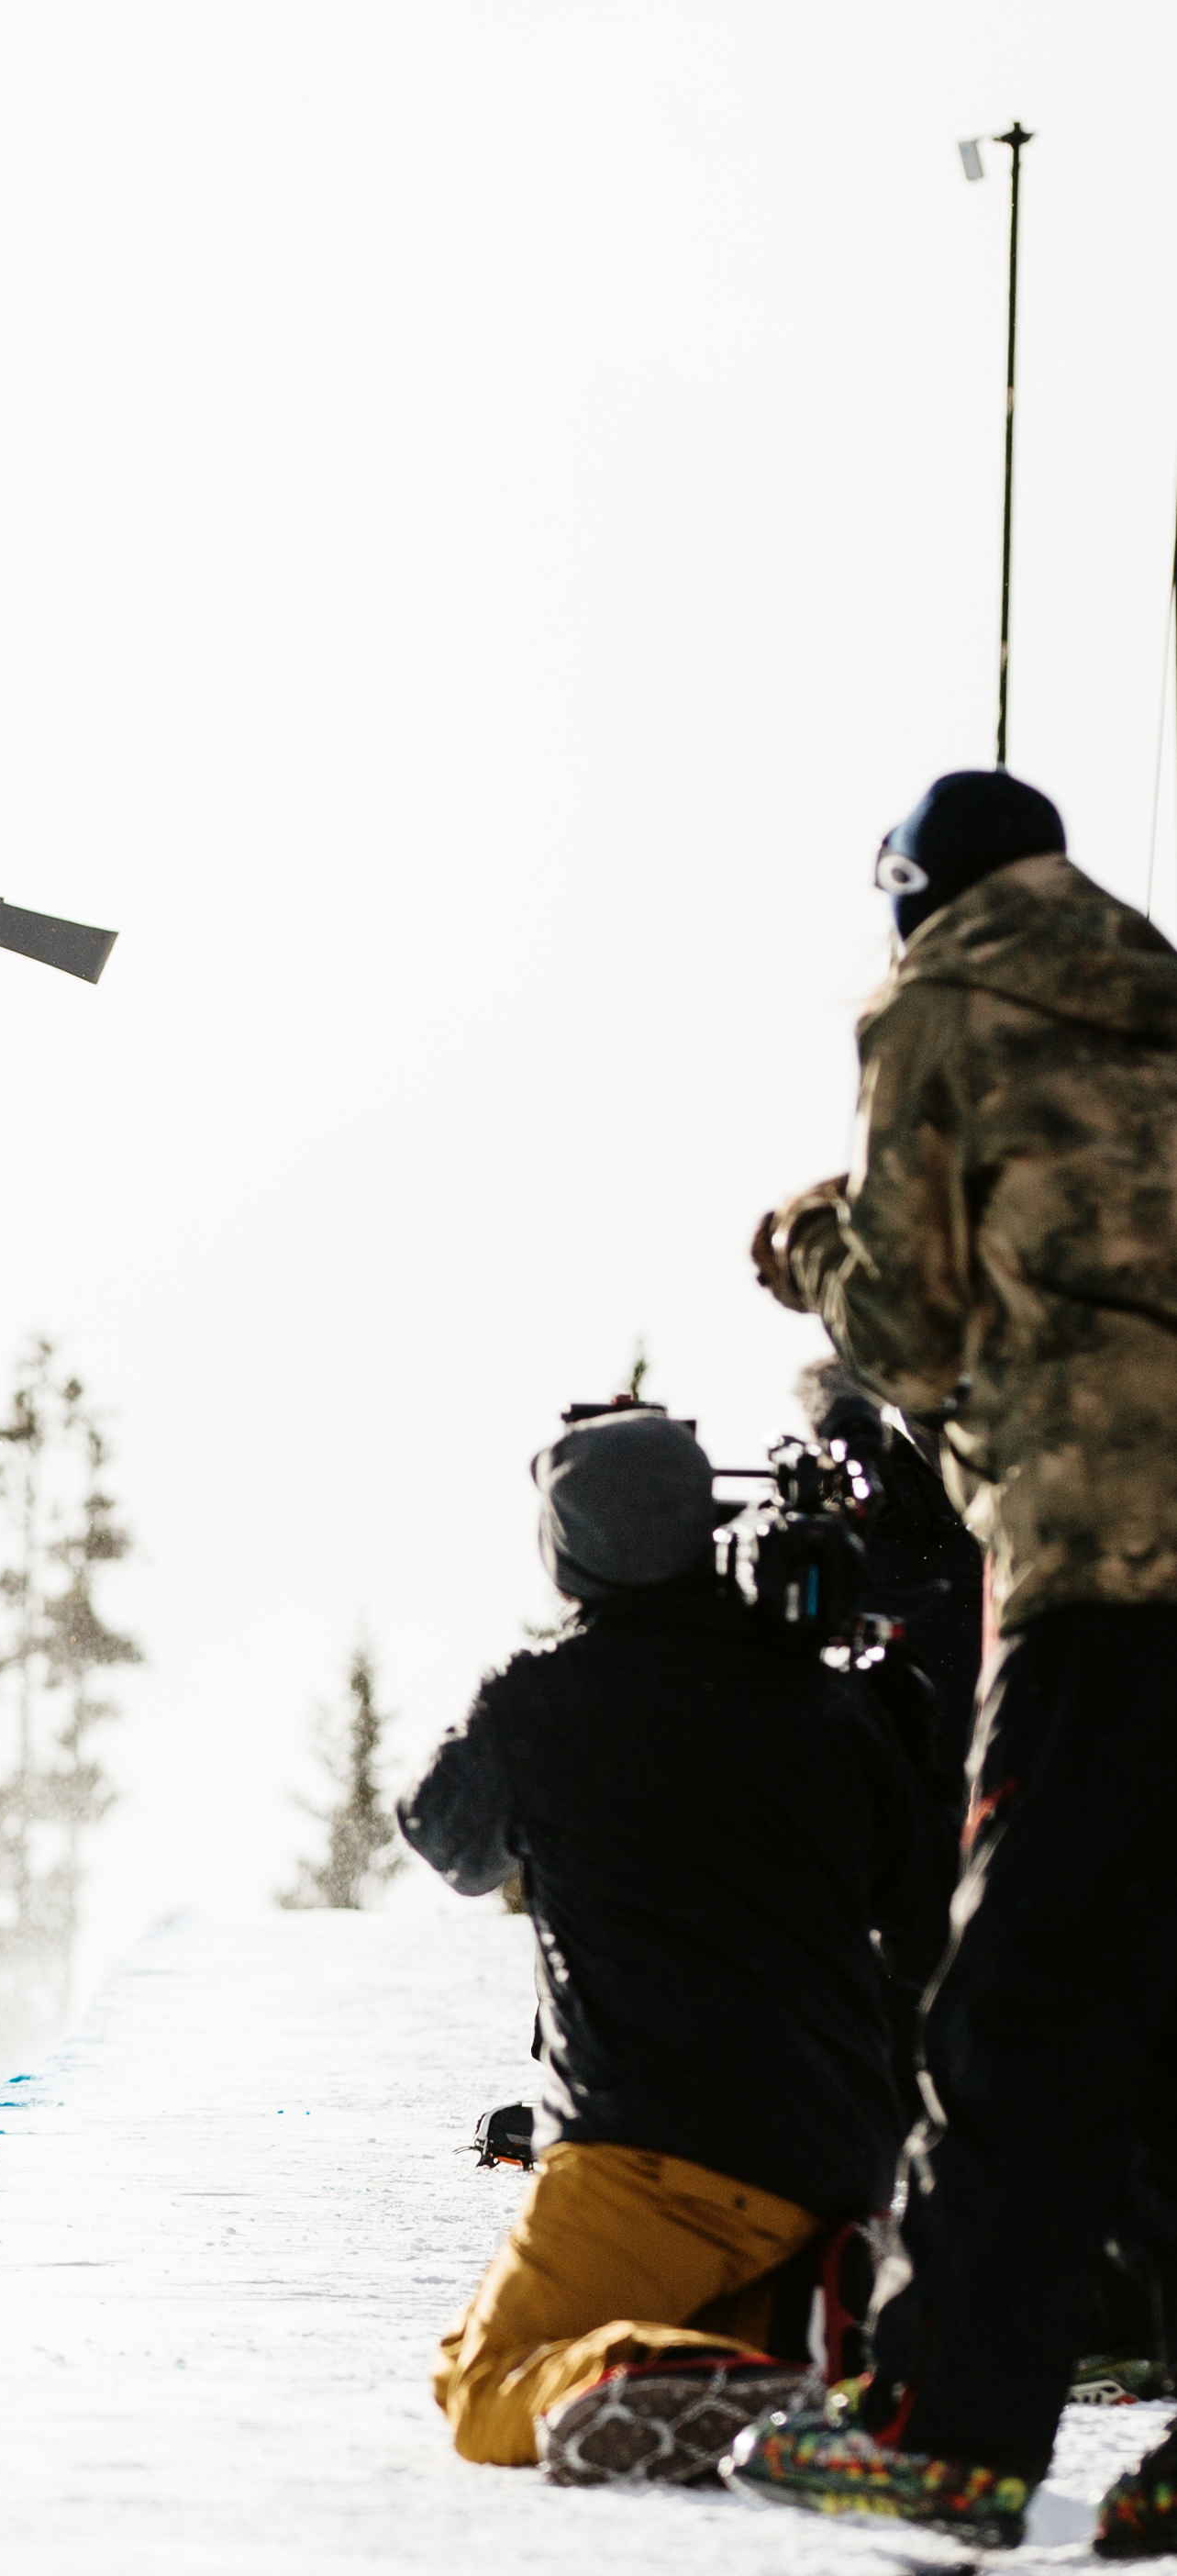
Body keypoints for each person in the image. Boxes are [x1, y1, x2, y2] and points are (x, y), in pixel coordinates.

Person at [736, 770, 1177, 2550]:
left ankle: (943, 2424)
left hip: (1091, 1555)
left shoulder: (932, 1002)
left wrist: (809, 1244)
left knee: (1023, 1997)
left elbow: (909, 1323)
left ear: (912, 896)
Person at [399, 1401, 944, 2484]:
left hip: (648, 2154)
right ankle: (792, 2308)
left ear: (567, 1555)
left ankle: (752, 2369)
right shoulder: (825, 1699)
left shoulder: (539, 1701)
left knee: (485, 2375)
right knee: (674, 2298)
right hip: (835, 2150)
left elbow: (445, 1837)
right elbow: (920, 1896)